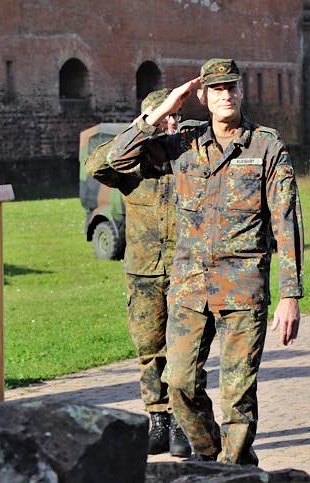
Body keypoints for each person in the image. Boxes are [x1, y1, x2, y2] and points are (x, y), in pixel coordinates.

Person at [91, 59, 304, 465]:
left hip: (243, 289)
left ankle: (231, 469)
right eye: (216, 88)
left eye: (232, 87)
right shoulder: (182, 144)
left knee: (237, 395)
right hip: (189, 288)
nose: (225, 95)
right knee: (179, 383)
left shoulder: (266, 146)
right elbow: (108, 162)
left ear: (241, 91)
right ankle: (212, 458)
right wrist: (160, 112)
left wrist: (290, 294)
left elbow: (286, 221)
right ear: (201, 96)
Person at [85, 88, 191, 457]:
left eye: (174, 116)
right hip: (143, 273)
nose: (171, 123)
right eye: (163, 117)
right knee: (149, 350)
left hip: (185, 272)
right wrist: (142, 129)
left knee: (184, 352)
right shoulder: (129, 164)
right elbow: (95, 166)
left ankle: (182, 422)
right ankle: (157, 420)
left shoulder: (189, 158)